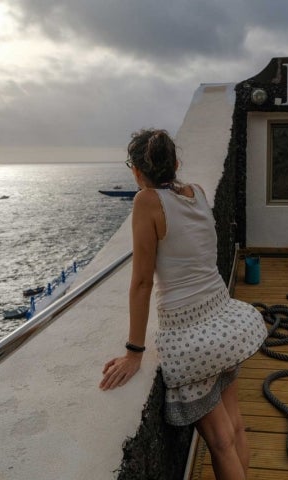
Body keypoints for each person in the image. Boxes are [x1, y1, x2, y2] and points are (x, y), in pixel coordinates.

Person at [100, 128, 267, 479]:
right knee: (234, 424)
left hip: (193, 338)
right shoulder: (199, 194)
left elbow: (143, 281)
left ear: (136, 171)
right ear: (176, 163)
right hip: (226, 320)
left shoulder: (146, 201)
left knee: (219, 441)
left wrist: (134, 352)